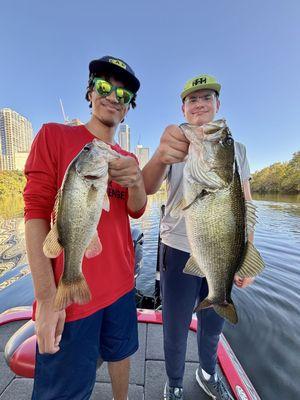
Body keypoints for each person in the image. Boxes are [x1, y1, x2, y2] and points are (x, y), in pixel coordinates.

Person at [24, 55, 147, 400]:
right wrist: (47, 299)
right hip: (70, 299)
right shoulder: (53, 135)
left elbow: (135, 211)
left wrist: (137, 181)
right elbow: (35, 213)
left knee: (121, 353)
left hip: (122, 286)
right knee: (64, 391)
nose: (113, 96)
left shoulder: (128, 158)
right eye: (104, 86)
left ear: (127, 109)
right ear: (90, 93)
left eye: (123, 94)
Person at [142, 74, 255, 400]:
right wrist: (162, 154)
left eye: (207, 98)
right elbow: (148, 188)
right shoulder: (174, 142)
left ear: (217, 104)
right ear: (183, 107)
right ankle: (175, 382)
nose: (200, 104)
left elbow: (246, 203)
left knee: (214, 321)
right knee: (175, 325)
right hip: (177, 249)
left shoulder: (237, 149)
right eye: (193, 99)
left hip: (222, 247)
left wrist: (247, 255)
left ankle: (207, 372)